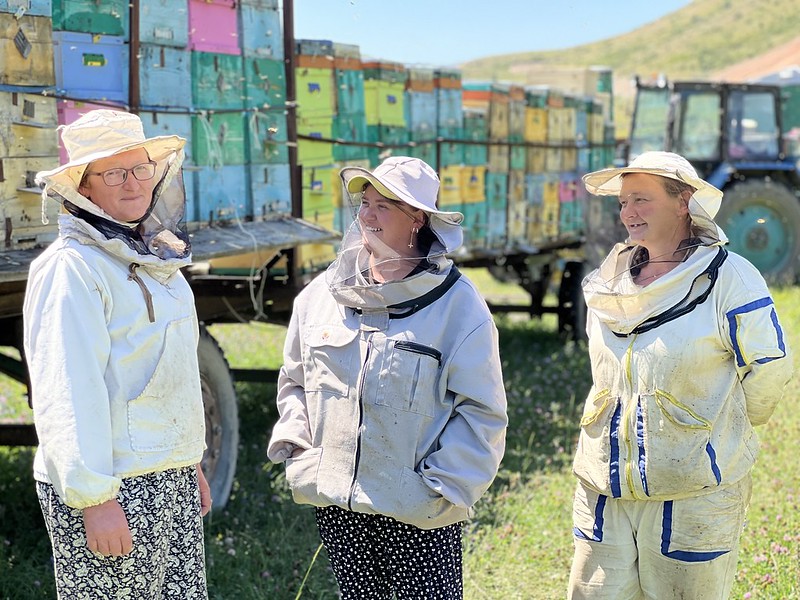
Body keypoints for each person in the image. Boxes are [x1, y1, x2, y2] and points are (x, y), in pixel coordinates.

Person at [267, 156, 508, 599]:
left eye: (385, 205)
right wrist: (303, 453)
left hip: (418, 510)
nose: (368, 215)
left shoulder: (460, 307)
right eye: (365, 202)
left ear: (418, 218)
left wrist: (440, 488)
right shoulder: (319, 297)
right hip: (339, 505)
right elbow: (295, 382)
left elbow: (482, 412)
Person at [568, 151, 793, 599]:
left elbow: (769, 366)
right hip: (604, 488)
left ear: (683, 200)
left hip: (692, 493)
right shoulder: (608, 282)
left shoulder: (732, 278)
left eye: (642, 200)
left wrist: (711, 434)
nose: (628, 213)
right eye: (623, 202)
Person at [24, 109, 211, 599]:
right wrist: (94, 500)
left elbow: (171, 369)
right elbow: (67, 388)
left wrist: (187, 463)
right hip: (112, 485)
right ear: (83, 188)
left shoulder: (152, 259)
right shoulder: (72, 268)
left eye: (140, 169)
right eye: (113, 173)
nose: (132, 184)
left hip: (165, 474)